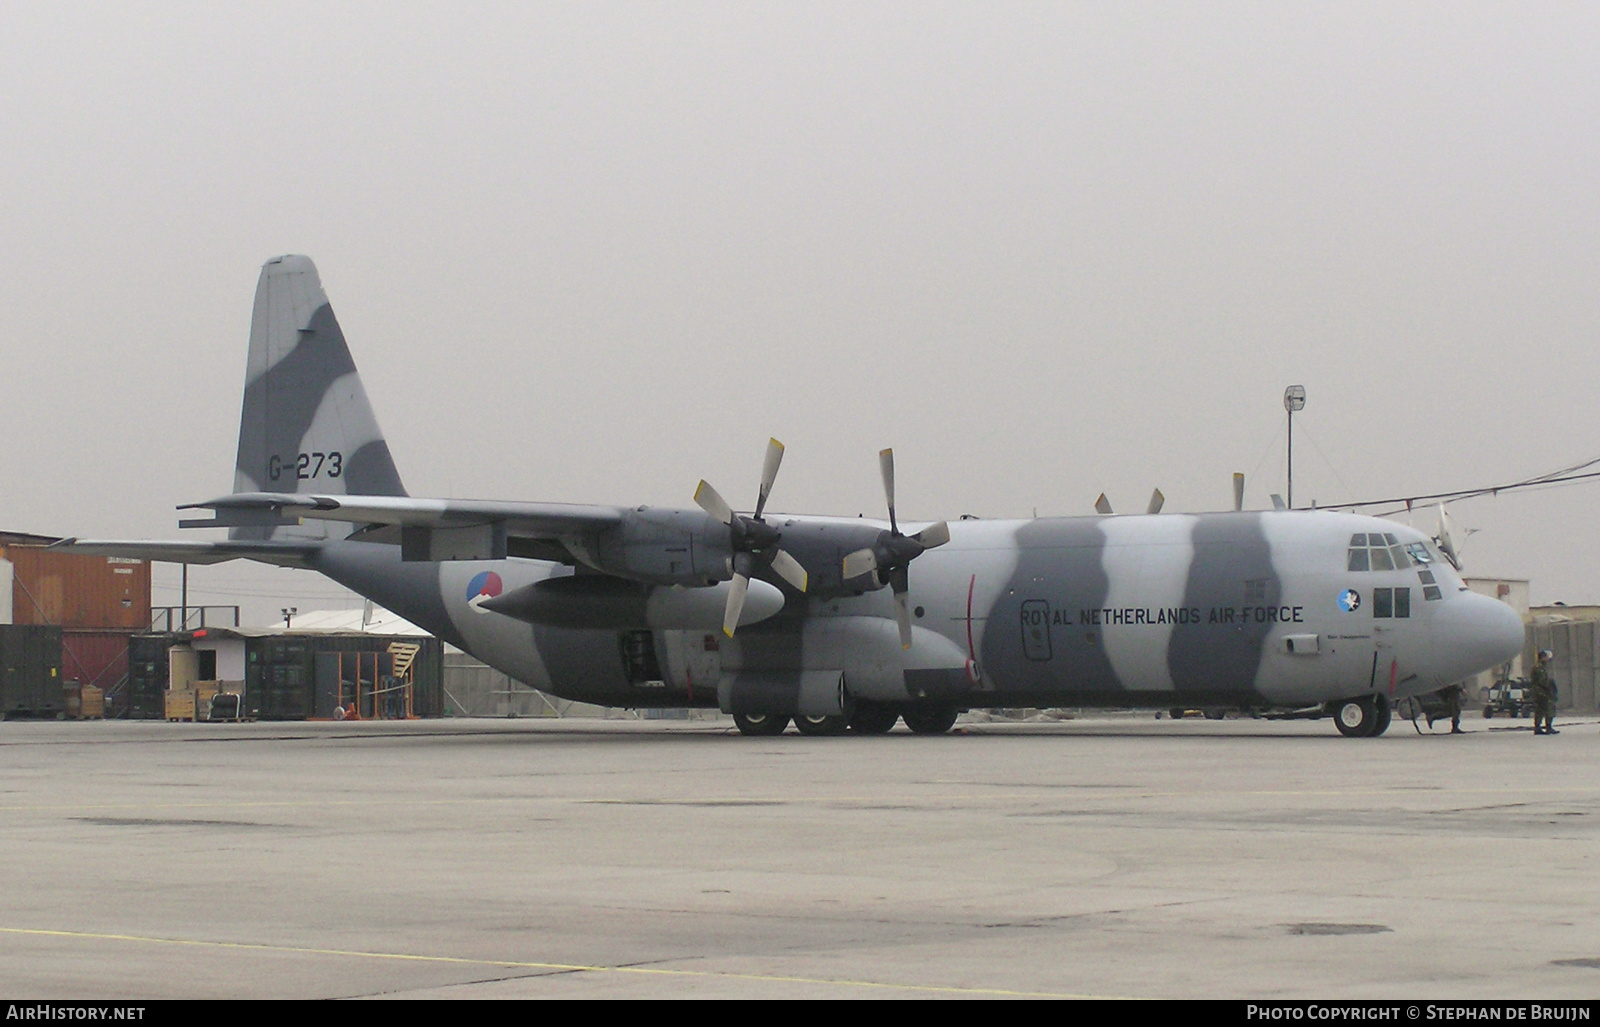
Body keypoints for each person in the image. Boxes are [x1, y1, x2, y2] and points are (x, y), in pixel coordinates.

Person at [1529, 649, 1558, 735]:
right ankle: (1541, 727)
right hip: (1541, 692)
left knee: (1544, 709)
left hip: (1542, 691)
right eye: (1546, 657)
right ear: (1543, 657)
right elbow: (1542, 681)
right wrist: (1550, 685)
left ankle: (1546, 726)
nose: (1548, 659)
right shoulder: (1538, 668)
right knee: (1543, 709)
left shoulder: (1541, 667)